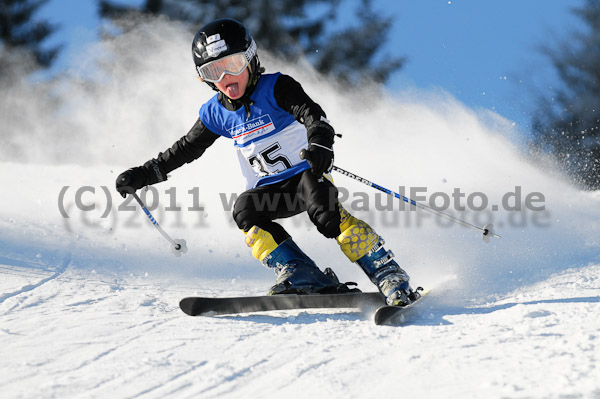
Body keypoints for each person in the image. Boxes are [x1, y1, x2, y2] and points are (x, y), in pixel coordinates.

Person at [116, 18, 418, 306]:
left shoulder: (276, 87)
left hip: (306, 177)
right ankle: (301, 273)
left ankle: (387, 272)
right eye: (213, 72)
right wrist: (145, 174)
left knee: (326, 217)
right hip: (269, 190)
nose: (226, 79)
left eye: (232, 65)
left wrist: (320, 142)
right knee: (245, 211)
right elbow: (185, 149)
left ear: (249, 59)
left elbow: (312, 114)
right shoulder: (215, 113)